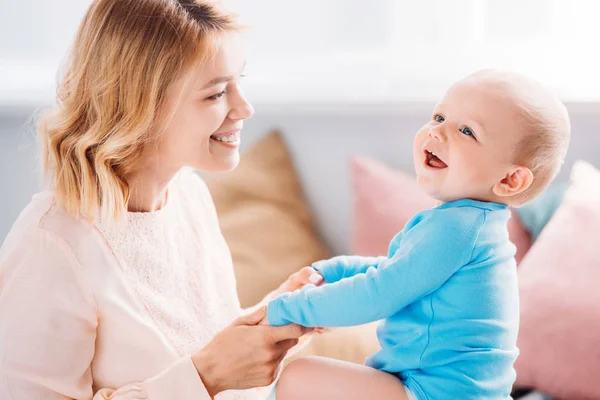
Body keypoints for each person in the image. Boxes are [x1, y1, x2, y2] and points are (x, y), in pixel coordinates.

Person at [0, 1, 316, 399]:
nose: (244, 108)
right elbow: (201, 373)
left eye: (239, 81)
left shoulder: (189, 197)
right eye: (217, 93)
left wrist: (271, 319)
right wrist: (207, 377)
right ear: (140, 105)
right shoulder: (50, 245)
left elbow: (192, 348)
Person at [263, 70, 571, 400]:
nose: (437, 132)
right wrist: (335, 271)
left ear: (510, 181)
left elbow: (378, 294)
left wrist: (286, 309)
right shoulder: (473, 226)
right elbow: (397, 269)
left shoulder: (458, 229)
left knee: (298, 378)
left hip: (439, 393)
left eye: (466, 131)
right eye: (439, 116)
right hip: (441, 389)